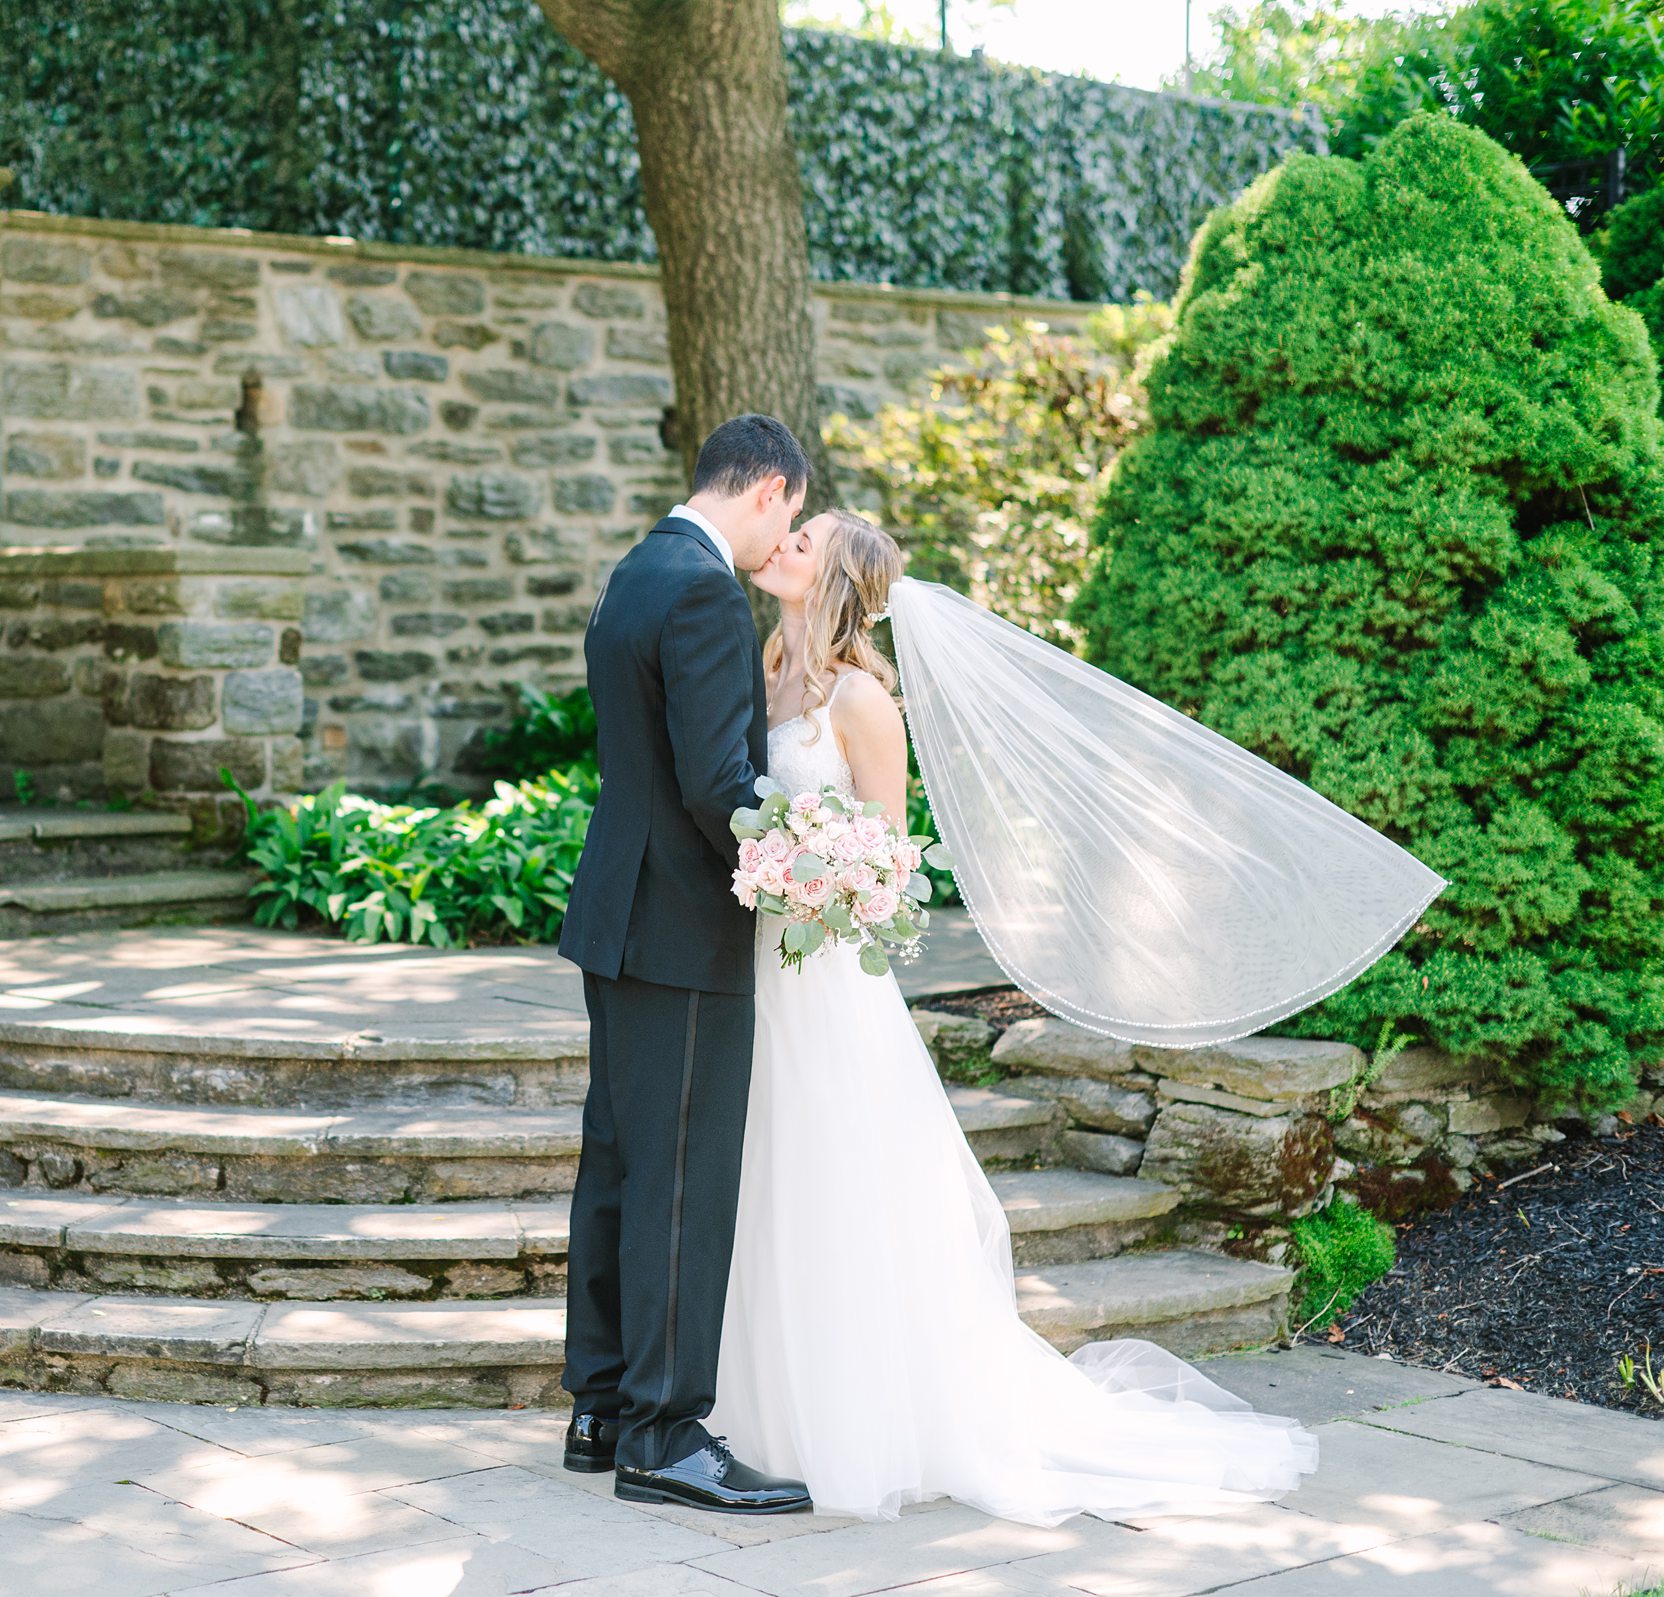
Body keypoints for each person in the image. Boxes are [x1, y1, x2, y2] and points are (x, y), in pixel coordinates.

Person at [707, 507, 1324, 1525]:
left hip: (825, 981)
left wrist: (816, 880)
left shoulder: (862, 699)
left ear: (839, 581)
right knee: (770, 1170)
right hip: (765, 971)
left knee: (835, 1175)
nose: (784, 547)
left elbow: (891, 863)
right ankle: (764, 1405)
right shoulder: (770, 663)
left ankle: (864, 1419)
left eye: (805, 542)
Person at [554, 413, 814, 1515]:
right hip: (680, 926)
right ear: (765, 490)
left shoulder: (634, 571)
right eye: (789, 517)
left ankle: (603, 1405)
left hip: (618, 912)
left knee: (618, 1161)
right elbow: (718, 781)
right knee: (680, 1181)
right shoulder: (706, 590)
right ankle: (664, 1433)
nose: (783, 542)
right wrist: (801, 871)